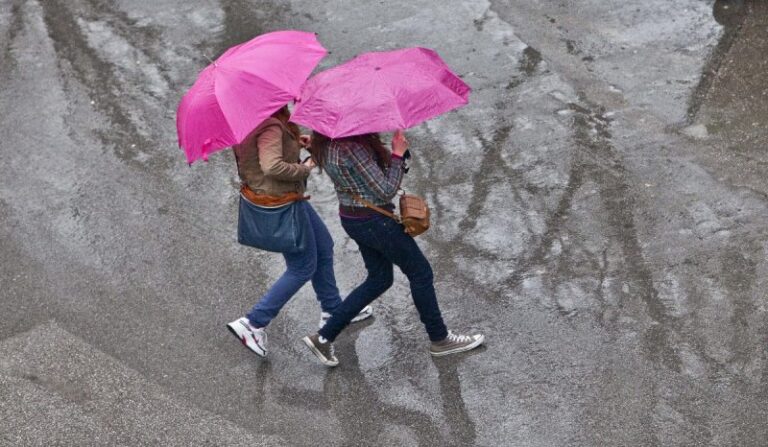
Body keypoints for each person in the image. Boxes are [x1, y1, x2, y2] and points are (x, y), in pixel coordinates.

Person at [301, 129, 484, 366]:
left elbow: (363, 175)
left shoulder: (326, 142)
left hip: (353, 218)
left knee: (379, 279)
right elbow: (385, 190)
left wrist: (398, 158)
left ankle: (324, 337)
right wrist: (398, 155)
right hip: (374, 221)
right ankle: (440, 339)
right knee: (420, 272)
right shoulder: (352, 147)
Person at [226, 106, 372, 357]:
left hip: (283, 199)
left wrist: (294, 143)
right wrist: (304, 168)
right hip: (281, 204)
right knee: (302, 267)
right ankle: (253, 323)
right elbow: (272, 167)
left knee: (323, 244)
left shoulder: (249, 118)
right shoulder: (270, 125)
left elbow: (261, 156)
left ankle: (333, 308)